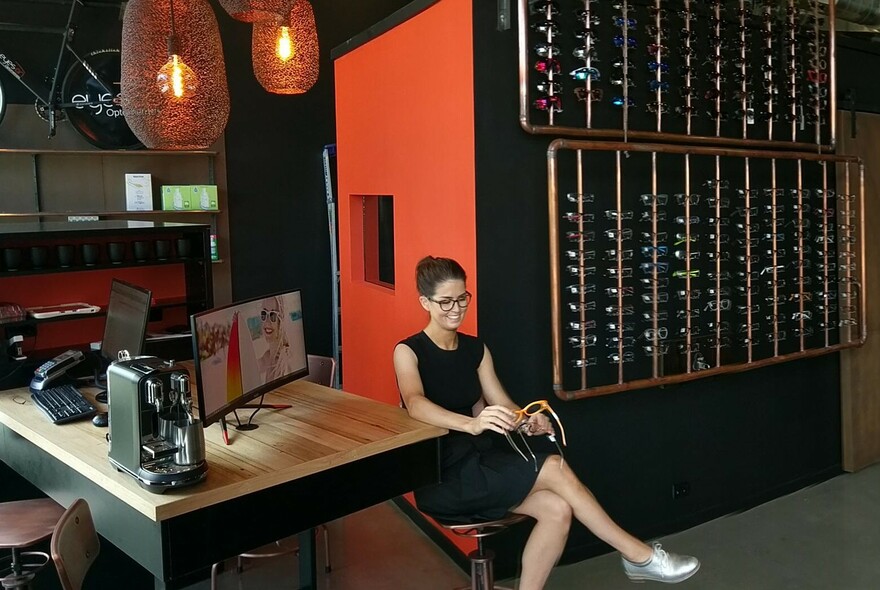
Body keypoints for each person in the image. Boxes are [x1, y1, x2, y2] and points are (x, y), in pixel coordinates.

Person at [393, 256, 700, 589]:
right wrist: (471, 423)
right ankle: (639, 556)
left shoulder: (475, 348)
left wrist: (527, 420)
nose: (456, 308)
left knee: (557, 509)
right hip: (443, 475)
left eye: (462, 298)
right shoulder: (409, 351)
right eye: (445, 301)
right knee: (553, 466)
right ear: (425, 302)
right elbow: (415, 404)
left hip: (480, 462)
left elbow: (504, 404)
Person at [257, 295, 296, 383]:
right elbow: (248, 369)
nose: (267, 321)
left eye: (273, 315)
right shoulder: (268, 356)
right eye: (264, 313)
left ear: (281, 320)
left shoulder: (283, 363)